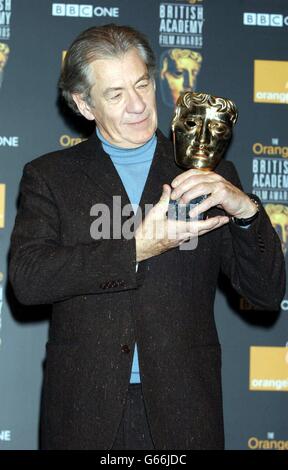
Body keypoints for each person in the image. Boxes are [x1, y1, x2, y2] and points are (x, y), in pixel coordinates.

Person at [9, 24, 285, 450]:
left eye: (142, 84)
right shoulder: (51, 177)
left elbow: (266, 292)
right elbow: (29, 280)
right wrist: (137, 247)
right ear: (84, 104)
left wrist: (247, 210)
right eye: (116, 94)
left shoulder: (208, 176)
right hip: (85, 412)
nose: (137, 106)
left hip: (185, 411)